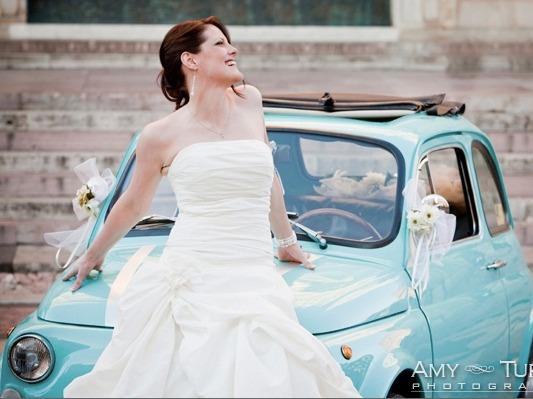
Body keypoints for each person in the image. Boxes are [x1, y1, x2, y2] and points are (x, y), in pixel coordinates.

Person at [61, 16, 362, 398]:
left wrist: (286, 240)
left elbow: (267, 178)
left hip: (252, 270)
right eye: (219, 44)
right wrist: (93, 253)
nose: (231, 49)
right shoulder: (159, 135)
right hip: (194, 270)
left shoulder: (250, 101)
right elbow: (135, 203)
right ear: (191, 60)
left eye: (229, 42)